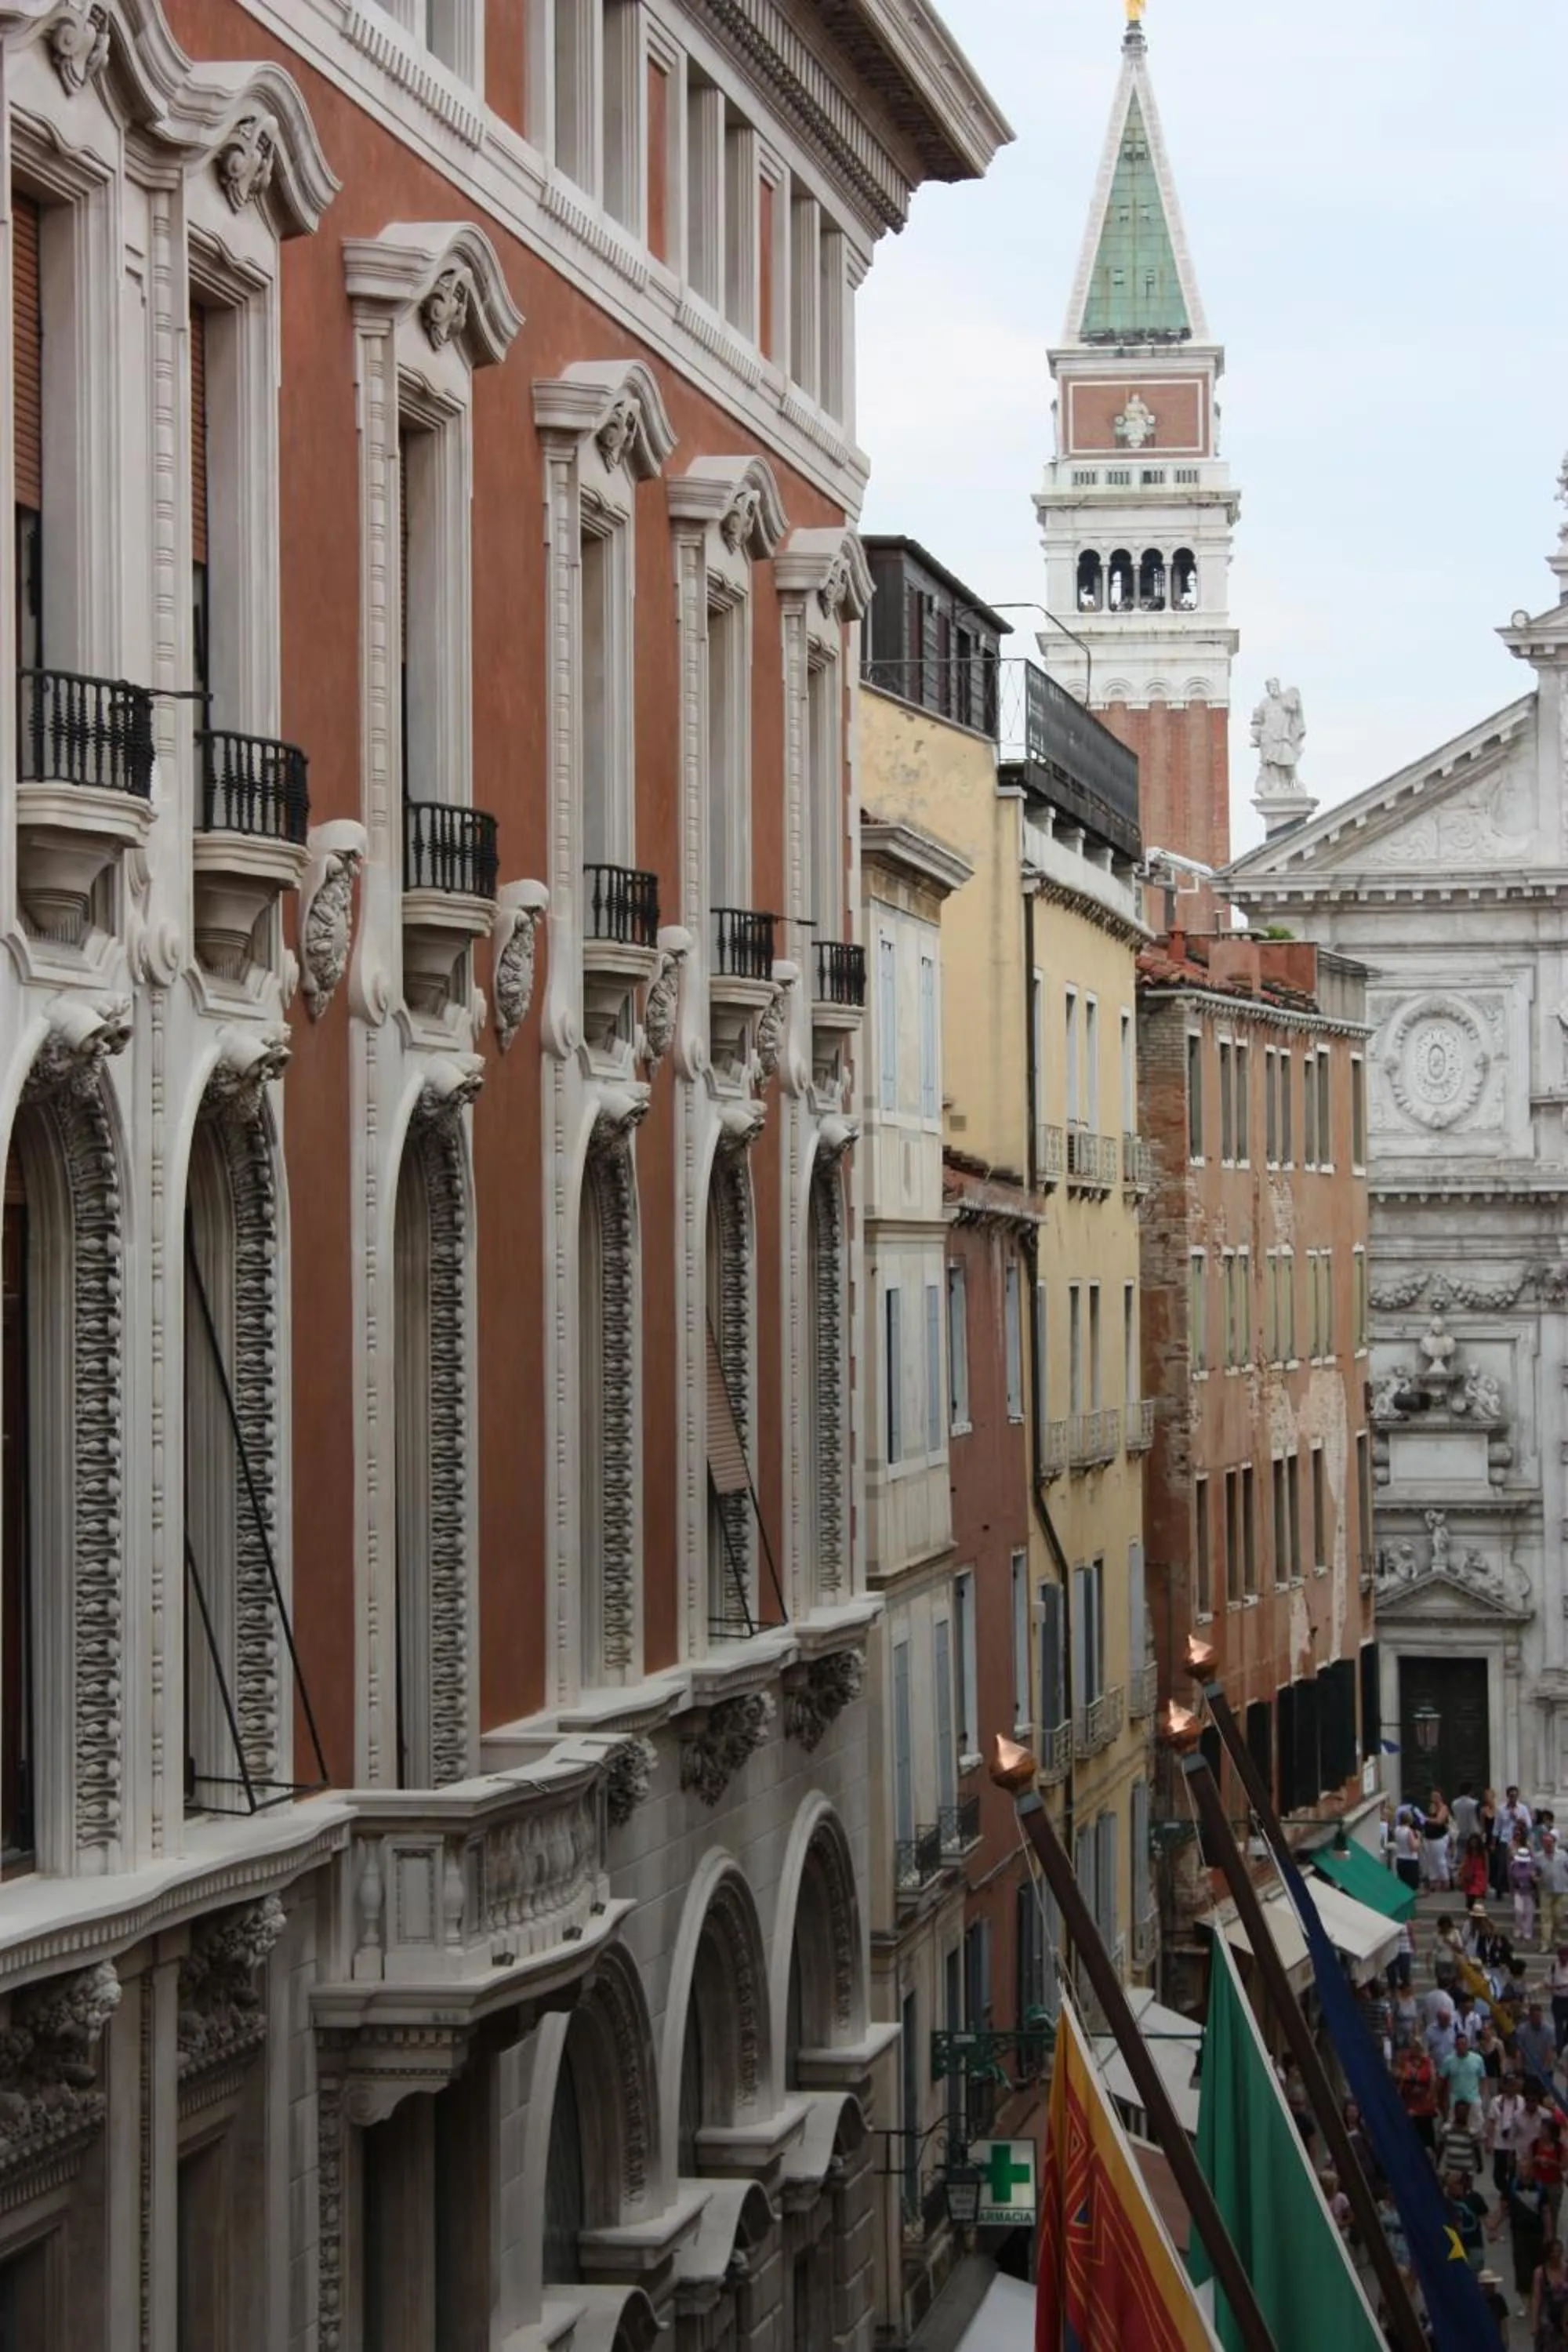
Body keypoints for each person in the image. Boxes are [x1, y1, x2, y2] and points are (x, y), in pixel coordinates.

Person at [1395, 2031, 1439, 2148]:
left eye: (1418, 2046)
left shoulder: (1428, 2062)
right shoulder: (1405, 2062)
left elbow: (1433, 2081)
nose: (1416, 2048)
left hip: (1424, 2102)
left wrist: (1432, 2096)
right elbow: (1399, 2077)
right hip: (1410, 2101)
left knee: (1426, 2133)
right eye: (1414, 2046)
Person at [1530, 2235, 1568, 2349]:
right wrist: (1534, 2323)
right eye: (1554, 2252)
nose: (1556, 2255)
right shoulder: (1540, 2273)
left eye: (1559, 2251)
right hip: (1547, 2317)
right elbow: (1536, 2298)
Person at [1438, 2095, 1484, 2186]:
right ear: (1455, 2112)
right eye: (1460, 2111)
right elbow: (1441, 2147)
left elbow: (1477, 2149)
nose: (1462, 2114)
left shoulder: (1472, 2132)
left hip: (1467, 2172)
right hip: (1451, 2170)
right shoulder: (1446, 2129)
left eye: (1464, 2111)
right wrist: (1437, 2163)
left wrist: (1480, 2165)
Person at [1444, 2033, 1488, 2120]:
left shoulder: (1478, 2059)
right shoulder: (1448, 2060)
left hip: (1473, 2099)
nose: (1461, 2047)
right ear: (1455, 2046)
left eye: (1463, 2044)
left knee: (1476, 2125)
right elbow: (1443, 2079)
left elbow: (1483, 2079)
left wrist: (1481, 2096)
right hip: (1455, 2101)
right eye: (1459, 2044)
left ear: (1467, 2045)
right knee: (1453, 2125)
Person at [1520, 2002, 1559, 2094]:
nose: (1538, 2019)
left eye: (1539, 2016)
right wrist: (1520, 2068)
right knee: (1530, 2096)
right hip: (1529, 2070)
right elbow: (1520, 2050)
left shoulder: (1549, 2030)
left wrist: (1544, 2069)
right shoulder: (1522, 2030)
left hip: (1545, 2070)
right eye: (1535, 2017)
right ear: (1530, 2017)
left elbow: (1550, 2051)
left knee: (1545, 2096)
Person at [1423, 1788, 1454, 1889]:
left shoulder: (1443, 1808)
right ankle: (1433, 1880)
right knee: (1431, 1860)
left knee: (1440, 1860)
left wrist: (1426, 1819)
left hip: (1439, 1837)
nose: (1434, 1798)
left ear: (1441, 1797)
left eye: (1436, 1796)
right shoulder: (1431, 1807)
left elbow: (1439, 1821)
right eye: (1433, 1796)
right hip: (1428, 1837)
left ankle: (1446, 1880)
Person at [1515, 1837, 1543, 1947]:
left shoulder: (1533, 1865)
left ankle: (1527, 1933)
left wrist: (1534, 1878)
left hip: (1530, 1892)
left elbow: (1539, 1878)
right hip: (1519, 1891)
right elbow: (1512, 1879)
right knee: (1519, 1911)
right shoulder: (1514, 1865)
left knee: (1528, 1913)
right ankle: (1519, 1929)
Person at [1543, 1835, 1568, 1953]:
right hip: (1545, 1891)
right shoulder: (1539, 1856)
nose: (1548, 1845)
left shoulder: (1563, 1855)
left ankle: (1557, 1934)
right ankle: (1546, 1943)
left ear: (1554, 1843)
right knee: (1546, 1918)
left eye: (1550, 1843)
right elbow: (1535, 1870)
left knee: (1559, 1916)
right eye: (1546, 1843)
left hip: (1561, 1890)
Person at [1393, 1806, 1421, 1893]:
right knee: (1411, 1885)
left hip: (1400, 1858)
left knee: (1403, 1883)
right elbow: (1413, 1847)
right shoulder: (1409, 1831)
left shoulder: (1397, 1830)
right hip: (1410, 1860)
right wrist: (1418, 1839)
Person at [1463, 1834, 1494, 1905]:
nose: (1473, 1844)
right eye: (1472, 1842)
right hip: (1470, 1880)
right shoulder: (1468, 1853)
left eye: (1475, 1842)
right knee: (1469, 1902)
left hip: (1480, 1879)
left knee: (1477, 1901)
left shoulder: (1483, 1853)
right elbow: (1465, 1865)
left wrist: (1486, 1882)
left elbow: (1487, 1868)